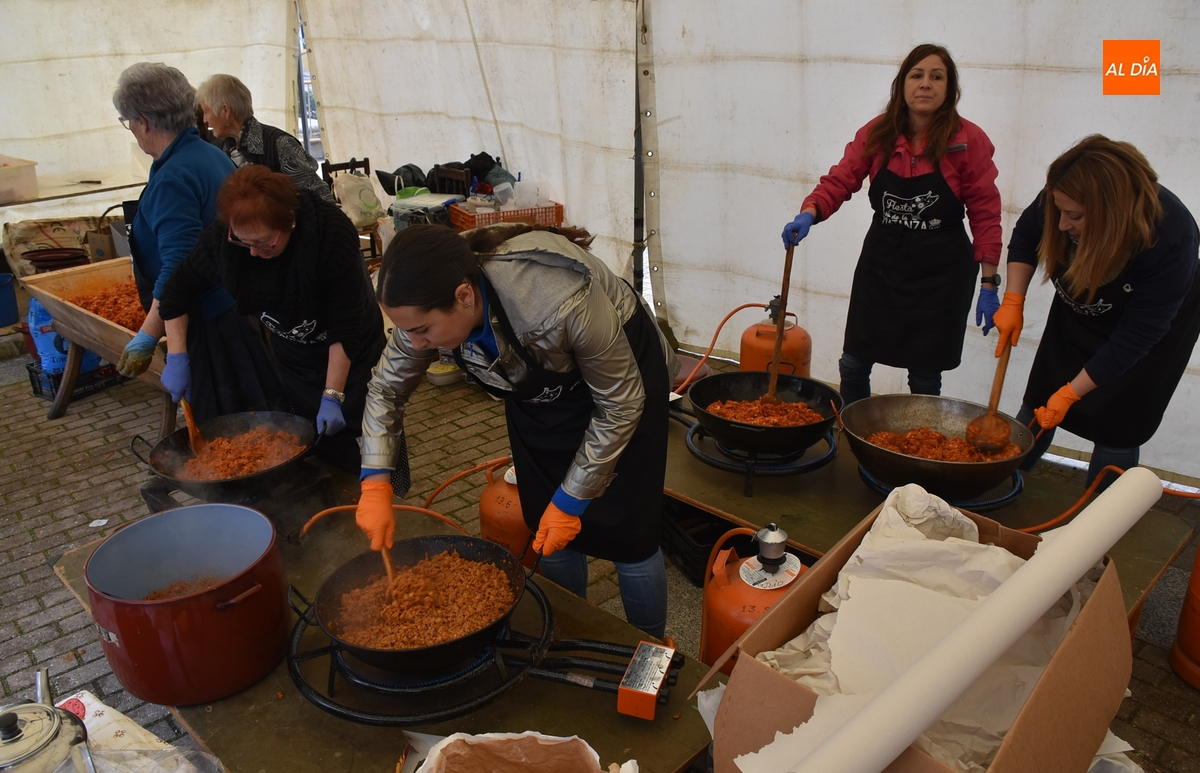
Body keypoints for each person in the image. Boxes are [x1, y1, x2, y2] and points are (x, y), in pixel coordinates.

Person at [356, 224, 680, 639]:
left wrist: (573, 498)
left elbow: (620, 403)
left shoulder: (556, 300)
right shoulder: (423, 314)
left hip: (622, 383)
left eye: (422, 330)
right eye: (406, 331)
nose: (415, 343)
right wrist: (376, 481)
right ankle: (568, 626)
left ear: (464, 296)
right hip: (544, 395)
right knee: (541, 513)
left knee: (629, 529)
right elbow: (385, 389)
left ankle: (651, 645)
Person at [781, 43, 1002, 404]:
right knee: (853, 364)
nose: (925, 84)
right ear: (902, 85)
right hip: (883, 264)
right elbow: (841, 179)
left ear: (950, 89)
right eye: (916, 75)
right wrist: (811, 212)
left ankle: (916, 455)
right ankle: (857, 443)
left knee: (925, 373)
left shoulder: (968, 141)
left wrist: (990, 283)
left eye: (936, 76)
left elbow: (985, 213)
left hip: (941, 272)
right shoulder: (877, 133)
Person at [994, 135, 1200, 491]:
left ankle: (1097, 520)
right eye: (1059, 212)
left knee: (1118, 423)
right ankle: (1000, 487)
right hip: (1082, 308)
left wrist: (1072, 393)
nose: (1061, 225)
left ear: (1111, 212)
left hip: (1147, 338)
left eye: (1074, 217)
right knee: (1041, 397)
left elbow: (1134, 339)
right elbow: (1027, 237)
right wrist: (1014, 299)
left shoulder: (1170, 235)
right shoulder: (1064, 194)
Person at [157, 166, 386, 473]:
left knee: (367, 446)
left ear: (290, 221)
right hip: (295, 359)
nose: (251, 252)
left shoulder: (331, 234)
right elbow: (175, 293)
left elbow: (346, 325)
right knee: (312, 447)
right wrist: (177, 356)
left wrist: (332, 395)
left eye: (264, 243)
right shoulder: (225, 242)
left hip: (355, 357)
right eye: (243, 241)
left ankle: (383, 501)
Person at [112, 62, 280, 421]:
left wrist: (154, 340)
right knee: (255, 421)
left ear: (142, 121)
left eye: (129, 123)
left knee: (229, 432)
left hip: (209, 328)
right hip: (233, 314)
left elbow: (178, 268)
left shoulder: (176, 175)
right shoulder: (208, 154)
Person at [196, 74, 334, 203]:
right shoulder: (224, 148)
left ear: (225, 111)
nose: (205, 120)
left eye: (206, 112)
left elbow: (321, 199)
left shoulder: (279, 144)